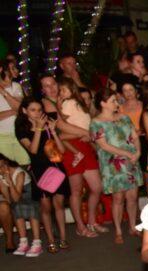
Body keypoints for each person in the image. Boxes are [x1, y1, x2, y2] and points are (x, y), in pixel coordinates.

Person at [15, 97, 70, 254]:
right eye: (33, 110)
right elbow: (33, 150)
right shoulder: (21, 129)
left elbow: (62, 150)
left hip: (55, 167)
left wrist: (52, 131)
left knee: (58, 204)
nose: (37, 113)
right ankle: (51, 241)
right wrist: (38, 129)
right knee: (45, 207)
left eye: (39, 110)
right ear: (25, 111)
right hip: (39, 170)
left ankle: (64, 239)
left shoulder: (47, 125)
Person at [90, 88, 143, 244]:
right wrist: (127, 154)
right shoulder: (96, 122)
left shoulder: (124, 117)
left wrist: (138, 152)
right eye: (113, 101)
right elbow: (104, 146)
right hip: (113, 165)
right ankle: (118, 230)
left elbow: (135, 136)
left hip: (132, 161)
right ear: (102, 103)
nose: (116, 103)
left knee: (132, 197)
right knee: (118, 198)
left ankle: (133, 226)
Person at [56, 77, 105, 238]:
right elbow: (61, 126)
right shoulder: (65, 104)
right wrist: (86, 133)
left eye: (64, 89)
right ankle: (80, 226)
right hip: (73, 149)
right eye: (60, 90)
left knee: (96, 187)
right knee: (76, 190)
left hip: (85, 147)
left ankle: (91, 221)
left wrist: (88, 135)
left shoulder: (80, 106)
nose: (62, 92)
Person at [0, 154, 42, 256]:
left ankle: (37, 243)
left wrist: (9, 180)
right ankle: (23, 242)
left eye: (2, 166)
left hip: (29, 196)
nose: (1, 169)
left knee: (24, 207)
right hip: (16, 197)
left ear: (6, 163)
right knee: (13, 207)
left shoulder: (19, 173)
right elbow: (8, 198)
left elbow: (16, 198)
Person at [0, 62, 27, 171]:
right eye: (11, 68)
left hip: (19, 133)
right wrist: (14, 111)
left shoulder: (16, 86)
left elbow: (20, 108)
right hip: (2, 136)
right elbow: (19, 109)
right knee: (9, 169)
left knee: (26, 164)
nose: (15, 70)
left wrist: (3, 92)